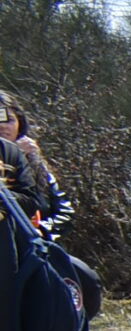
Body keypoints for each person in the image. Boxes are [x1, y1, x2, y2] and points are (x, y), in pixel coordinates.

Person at [0, 93, 73, 232]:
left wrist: (42, 229)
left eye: (9, 120)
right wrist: (13, 156)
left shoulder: (35, 162)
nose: (3, 126)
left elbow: (64, 212)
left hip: (34, 241)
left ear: (20, 124)